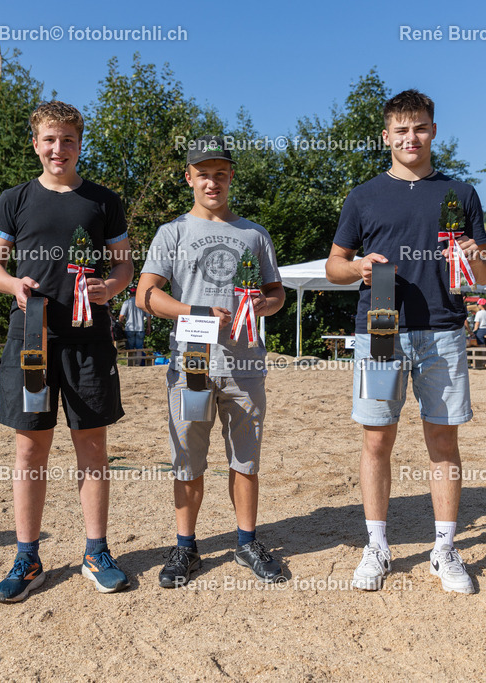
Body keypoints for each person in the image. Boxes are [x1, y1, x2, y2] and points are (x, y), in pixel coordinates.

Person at [325, 90, 486, 594]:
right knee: (377, 440)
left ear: (433, 131)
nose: (410, 137)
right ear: (386, 136)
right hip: (380, 330)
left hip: (444, 330)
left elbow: (485, 274)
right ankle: (376, 545)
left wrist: (475, 255)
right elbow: (334, 266)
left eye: (419, 127)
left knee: (443, 440)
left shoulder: (461, 193)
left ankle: (444, 548)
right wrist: (357, 267)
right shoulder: (363, 196)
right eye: (401, 130)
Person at [0, 100, 134, 602]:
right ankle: (27, 559)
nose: (58, 148)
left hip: (89, 341)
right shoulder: (14, 199)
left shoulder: (104, 200)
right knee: (30, 448)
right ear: (35, 144)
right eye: (49, 139)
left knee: (92, 445)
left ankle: (96, 552)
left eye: (68, 139)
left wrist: (111, 288)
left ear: (79, 144)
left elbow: (124, 266)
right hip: (32, 340)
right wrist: (13, 285)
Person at [137, 135, 286, 588]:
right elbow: (146, 295)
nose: (212, 182)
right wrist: (195, 312)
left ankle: (246, 543)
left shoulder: (255, 234)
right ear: (189, 178)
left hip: (245, 367)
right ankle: (185, 547)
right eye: (203, 174)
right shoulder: (172, 233)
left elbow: (277, 293)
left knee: (246, 460)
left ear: (231, 176)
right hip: (193, 365)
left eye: (220, 174)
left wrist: (265, 304)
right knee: (188, 461)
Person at [119, 286, 151, 366]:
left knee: (130, 348)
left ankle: (130, 364)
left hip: (129, 328)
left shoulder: (127, 302)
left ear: (130, 294)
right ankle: (138, 364)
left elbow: (121, 316)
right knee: (139, 348)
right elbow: (148, 316)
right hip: (140, 328)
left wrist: (120, 324)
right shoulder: (142, 303)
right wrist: (148, 327)